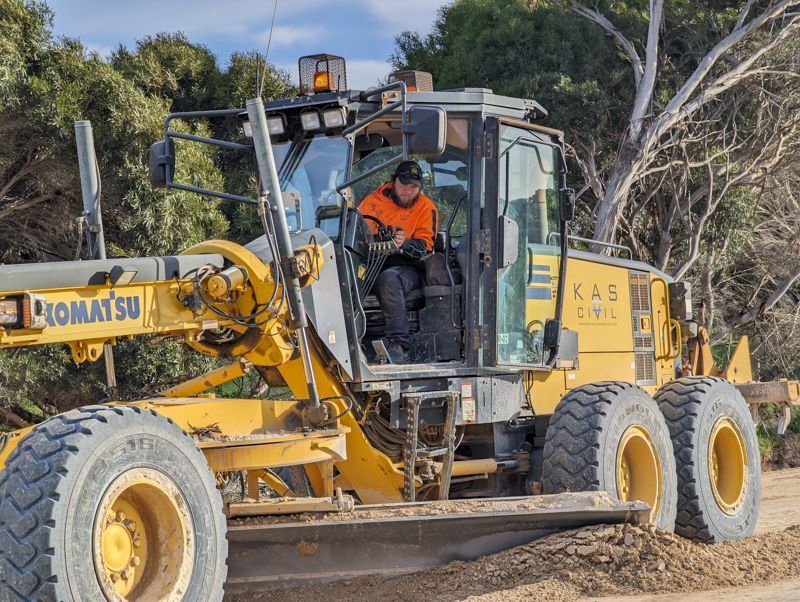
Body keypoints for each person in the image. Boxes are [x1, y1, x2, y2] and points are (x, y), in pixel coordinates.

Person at [359, 161, 438, 364]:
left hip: (408, 269)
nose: (407, 192)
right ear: (393, 181)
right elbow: (355, 230)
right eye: (404, 186)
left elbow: (425, 248)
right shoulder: (371, 202)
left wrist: (406, 243)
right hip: (370, 264)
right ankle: (350, 341)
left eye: (413, 188)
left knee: (388, 280)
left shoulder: (425, 207)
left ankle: (399, 346)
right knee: (345, 276)